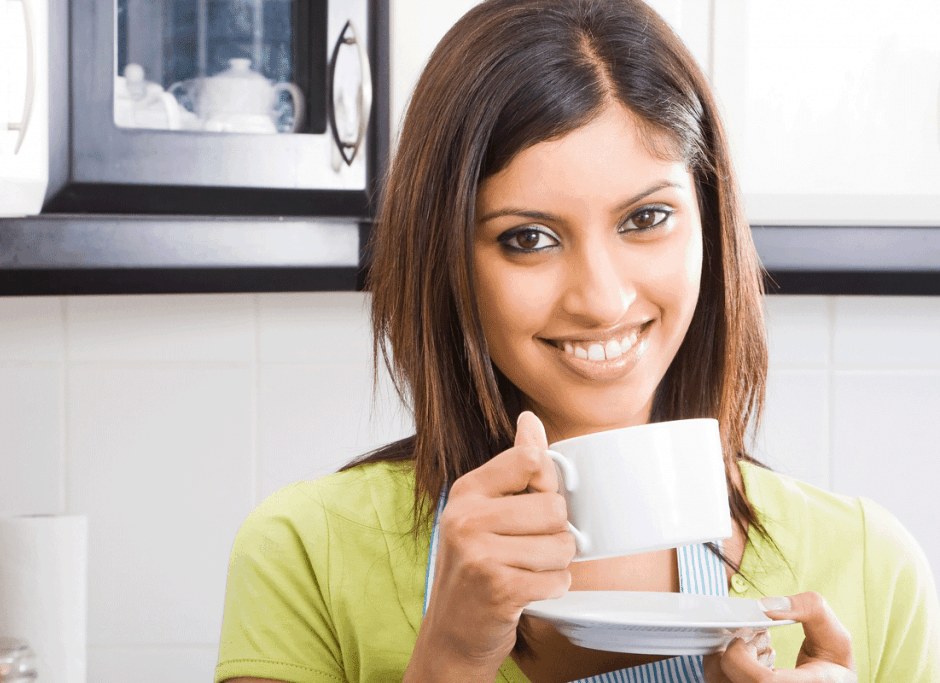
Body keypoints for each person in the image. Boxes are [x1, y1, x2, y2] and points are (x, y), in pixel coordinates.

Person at [214, 0, 940, 681]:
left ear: (710, 225)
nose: (601, 299)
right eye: (528, 238)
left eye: (646, 219)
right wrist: (451, 657)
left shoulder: (873, 568)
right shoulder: (305, 555)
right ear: (445, 259)